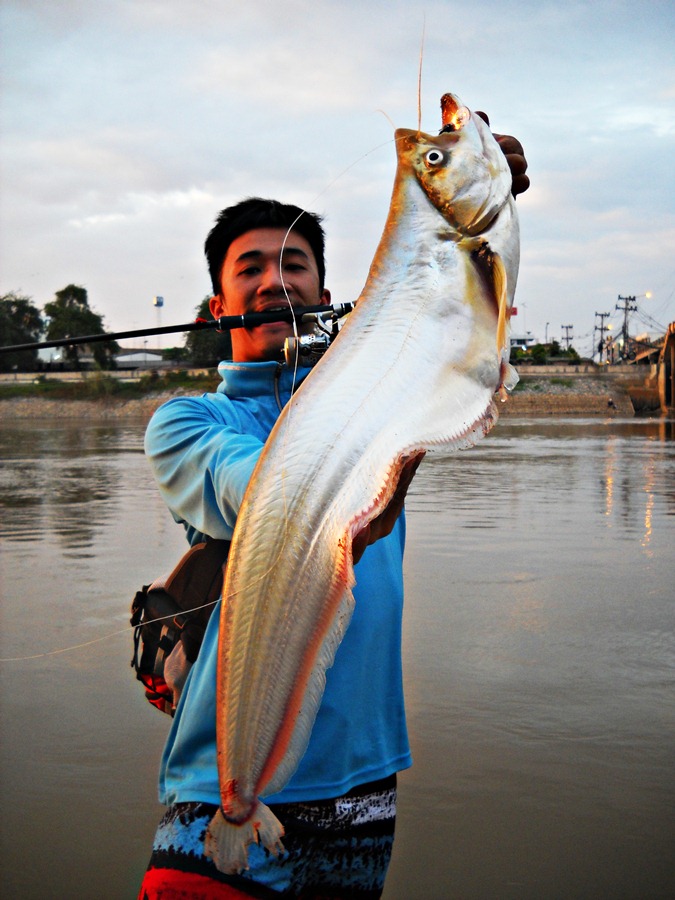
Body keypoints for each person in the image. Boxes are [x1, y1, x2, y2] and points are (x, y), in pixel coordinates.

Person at [139, 129, 529, 899]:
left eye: (293, 265)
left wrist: (486, 198)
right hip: (223, 785)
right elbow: (284, 496)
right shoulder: (188, 423)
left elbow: (458, 331)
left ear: (323, 293)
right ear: (219, 303)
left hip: (365, 778)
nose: (274, 280)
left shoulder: (375, 395)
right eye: (249, 268)